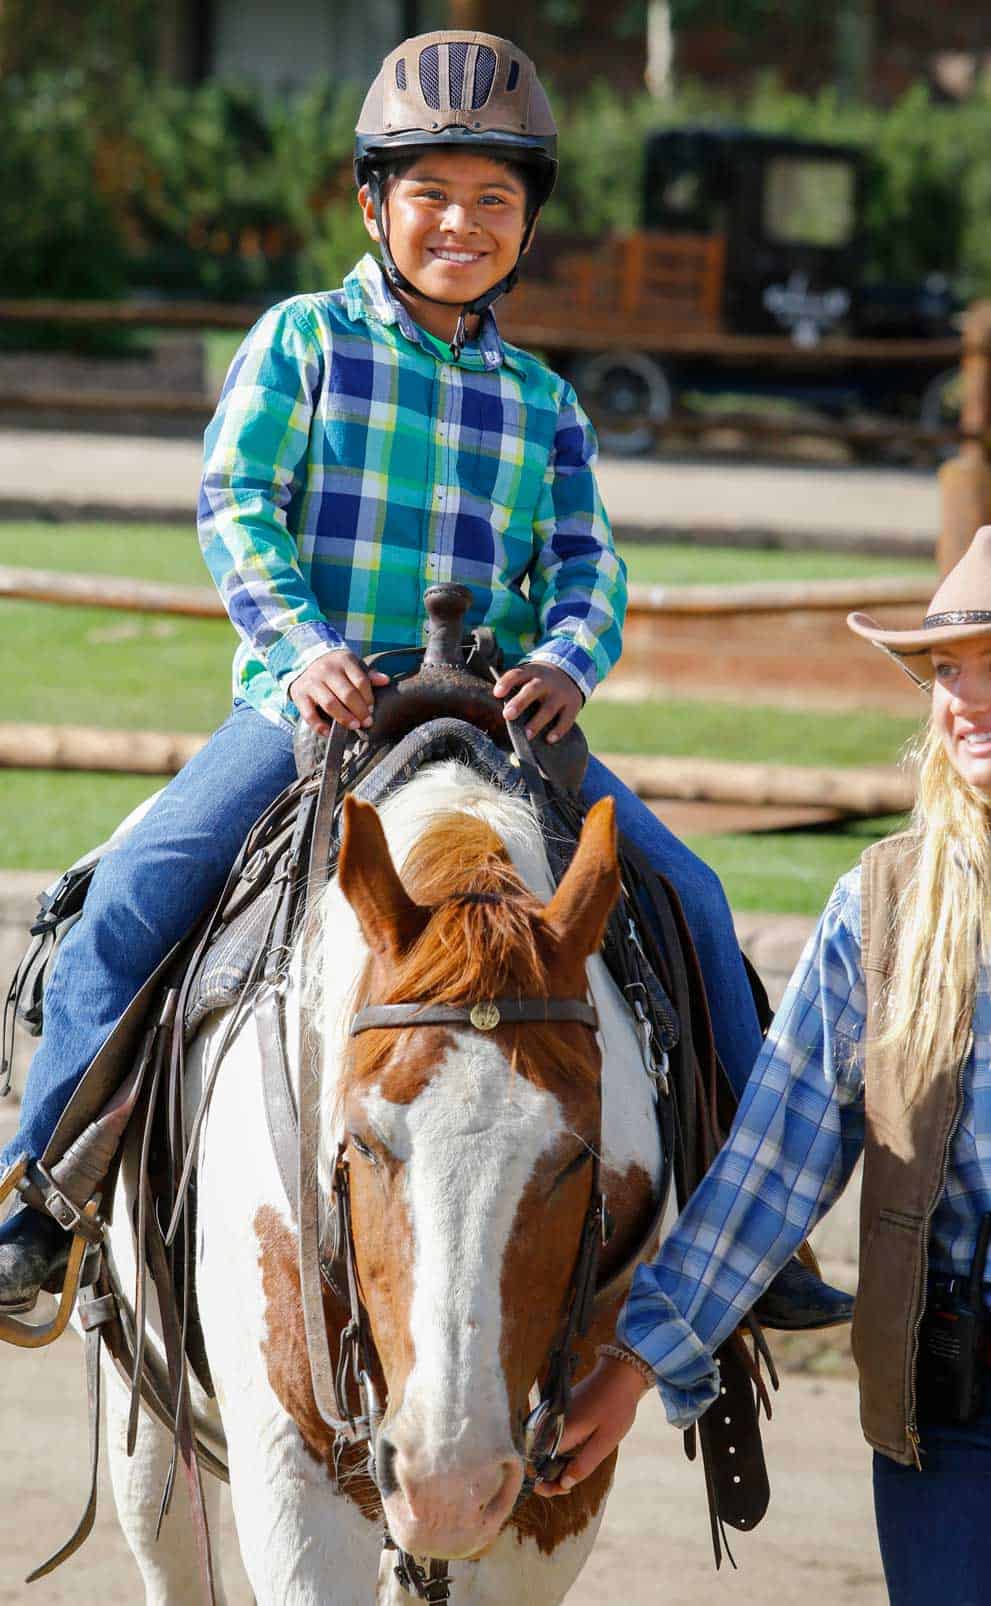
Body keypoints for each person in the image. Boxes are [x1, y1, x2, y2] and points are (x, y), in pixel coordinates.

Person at [0, 32, 845, 1330]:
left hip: (494, 713)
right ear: (371, 203)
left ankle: (749, 1235)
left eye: (492, 200)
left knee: (690, 895)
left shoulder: (541, 401)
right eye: (432, 195)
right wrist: (303, 649)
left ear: (526, 224)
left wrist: (567, 654)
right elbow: (236, 503)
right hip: (315, 709)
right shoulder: (302, 344)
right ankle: (41, 1199)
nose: (461, 223)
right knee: (134, 890)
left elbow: (585, 559)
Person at [537, 524, 991, 1602]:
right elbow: (773, 1163)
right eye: (948, 668)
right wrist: (634, 1362)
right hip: (954, 1408)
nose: (964, 697)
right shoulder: (883, 911)